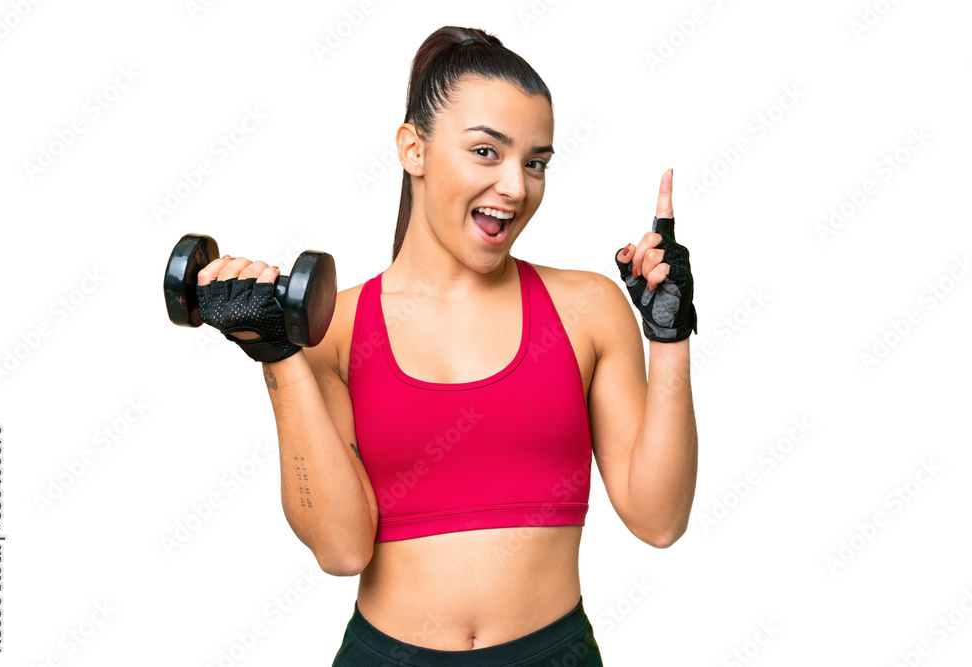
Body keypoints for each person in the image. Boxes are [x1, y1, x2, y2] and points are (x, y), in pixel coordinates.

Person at [194, 25, 698, 667]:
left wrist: (670, 336)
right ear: (414, 149)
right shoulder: (333, 329)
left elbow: (659, 520)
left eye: (535, 161)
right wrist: (279, 356)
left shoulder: (588, 309)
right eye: (487, 152)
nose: (516, 186)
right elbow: (341, 549)